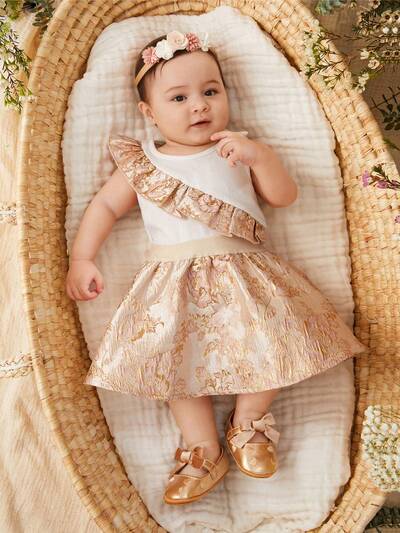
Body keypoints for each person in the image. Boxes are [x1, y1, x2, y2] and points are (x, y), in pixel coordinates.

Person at [65, 30, 368, 505]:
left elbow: (283, 197)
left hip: (245, 273)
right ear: (149, 112)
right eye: (178, 98)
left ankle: (249, 420)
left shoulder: (238, 148)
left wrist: (260, 157)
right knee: (172, 363)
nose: (199, 106)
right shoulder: (144, 163)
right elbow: (104, 207)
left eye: (210, 91)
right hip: (172, 281)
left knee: (274, 338)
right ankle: (202, 445)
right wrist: (83, 258)